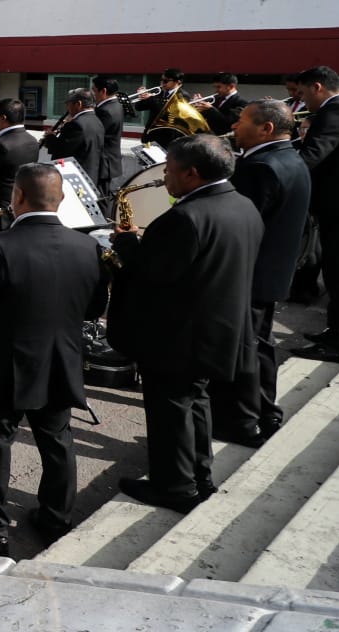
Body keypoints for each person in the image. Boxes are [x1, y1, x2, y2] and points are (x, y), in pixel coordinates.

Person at [0, 164, 110, 554]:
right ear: (63, 198)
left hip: (2, 365)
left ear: (17, 197)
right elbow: (93, 308)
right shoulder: (90, 247)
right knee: (57, 442)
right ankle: (56, 518)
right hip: (60, 361)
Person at [107, 135, 263, 512]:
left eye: (170, 171)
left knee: (169, 412)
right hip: (216, 329)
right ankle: (200, 475)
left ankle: (175, 487)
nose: (165, 179)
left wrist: (126, 246)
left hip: (178, 335)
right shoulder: (242, 205)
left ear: (192, 173)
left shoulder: (184, 218)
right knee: (195, 402)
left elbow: (152, 275)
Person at [209, 100, 312, 443]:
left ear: (266, 129)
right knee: (259, 346)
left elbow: (239, 224)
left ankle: (243, 422)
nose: (235, 126)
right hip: (272, 271)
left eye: (242, 121)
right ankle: (266, 413)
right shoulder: (290, 157)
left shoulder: (261, 167)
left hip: (250, 275)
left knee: (244, 351)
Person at [295, 65, 339, 358]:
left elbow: (313, 155)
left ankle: (336, 343)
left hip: (335, 207)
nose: (303, 101)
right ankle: (333, 332)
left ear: (317, 87)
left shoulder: (333, 112)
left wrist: (280, 170)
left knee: (336, 273)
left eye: (302, 93)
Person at [42, 88, 105, 185]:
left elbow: (61, 151)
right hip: (91, 174)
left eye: (68, 104)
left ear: (78, 104)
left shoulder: (76, 125)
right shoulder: (97, 121)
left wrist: (50, 137)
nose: (67, 108)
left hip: (76, 177)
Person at [134, 68, 185, 142]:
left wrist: (151, 98)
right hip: (150, 136)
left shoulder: (183, 95)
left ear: (177, 81)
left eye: (165, 81)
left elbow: (166, 111)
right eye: (161, 80)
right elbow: (139, 107)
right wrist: (141, 96)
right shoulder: (159, 93)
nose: (162, 83)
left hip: (167, 139)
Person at [92, 77, 124, 195]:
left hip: (103, 162)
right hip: (109, 160)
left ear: (103, 91)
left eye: (94, 90)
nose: (93, 94)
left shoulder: (105, 111)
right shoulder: (116, 105)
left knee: (100, 196)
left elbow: (95, 135)